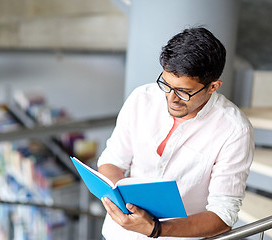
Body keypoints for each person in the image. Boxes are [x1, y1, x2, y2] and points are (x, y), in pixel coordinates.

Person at [97, 27, 254, 240]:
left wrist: (155, 229)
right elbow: (112, 162)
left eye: (184, 91)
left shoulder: (234, 130)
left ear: (213, 86)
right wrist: (123, 203)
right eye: (166, 84)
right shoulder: (142, 98)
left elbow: (223, 215)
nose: (171, 98)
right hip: (118, 234)